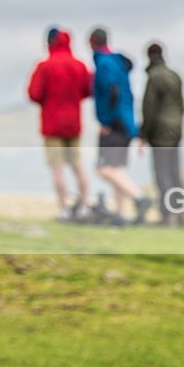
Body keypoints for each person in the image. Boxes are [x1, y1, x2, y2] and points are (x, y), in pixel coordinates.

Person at [27, 27, 92, 221]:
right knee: (77, 165)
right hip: (73, 124)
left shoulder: (45, 66)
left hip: (52, 123)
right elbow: (87, 89)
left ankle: (64, 209)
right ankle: (84, 206)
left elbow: (34, 93)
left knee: (57, 168)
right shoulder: (79, 65)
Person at [89, 27, 152, 224]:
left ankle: (139, 198)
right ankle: (119, 213)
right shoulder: (117, 62)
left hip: (115, 123)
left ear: (92, 42)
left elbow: (112, 92)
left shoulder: (104, 63)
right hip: (126, 121)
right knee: (117, 168)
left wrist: (106, 121)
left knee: (105, 169)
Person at [139, 42, 184, 226]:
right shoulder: (175, 75)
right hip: (176, 128)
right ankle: (182, 213)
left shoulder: (154, 77)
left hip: (160, 131)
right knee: (175, 172)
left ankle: (168, 215)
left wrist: (144, 134)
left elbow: (149, 109)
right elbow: (181, 105)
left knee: (163, 173)